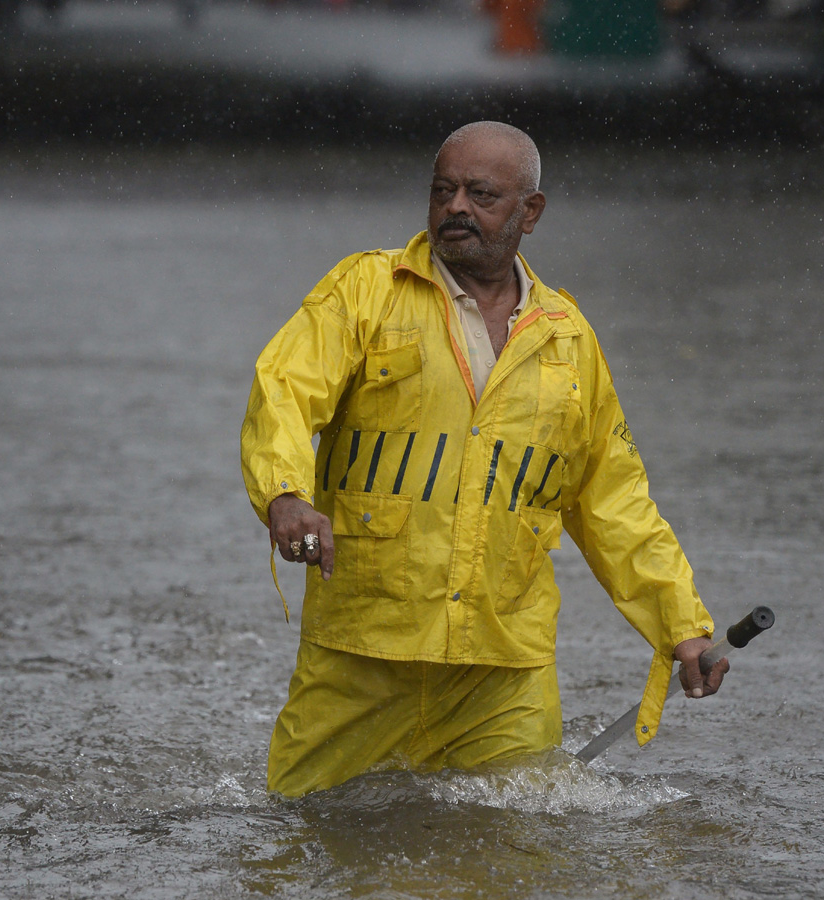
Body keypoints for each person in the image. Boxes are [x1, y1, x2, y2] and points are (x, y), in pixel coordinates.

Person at [240, 121, 728, 798]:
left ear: (531, 212)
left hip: (503, 669)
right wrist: (285, 494)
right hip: (363, 652)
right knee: (301, 831)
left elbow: (613, 503)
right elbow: (284, 393)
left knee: (513, 851)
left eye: (481, 194)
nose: (456, 208)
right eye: (443, 191)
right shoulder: (365, 292)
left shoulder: (568, 340)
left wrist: (682, 629)